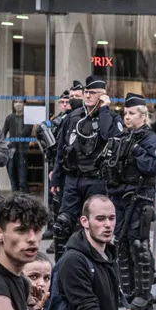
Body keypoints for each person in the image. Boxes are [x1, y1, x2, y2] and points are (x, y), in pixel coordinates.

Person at [103, 93, 156, 310]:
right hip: (120, 196)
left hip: (140, 197)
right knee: (121, 243)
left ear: (142, 115)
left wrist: (137, 150)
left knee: (139, 245)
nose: (127, 117)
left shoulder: (151, 140)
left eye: (131, 113)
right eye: (125, 113)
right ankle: (127, 290)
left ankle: (144, 294)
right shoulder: (122, 137)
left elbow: (152, 167)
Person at [51, 76, 121, 256]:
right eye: (86, 92)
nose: (88, 96)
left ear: (103, 96)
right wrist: (56, 178)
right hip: (73, 178)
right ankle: (62, 267)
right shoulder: (74, 117)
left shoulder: (111, 118)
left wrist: (104, 109)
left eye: (93, 93)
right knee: (63, 224)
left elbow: (108, 136)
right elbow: (61, 149)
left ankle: (90, 263)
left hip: (96, 180)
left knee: (92, 227)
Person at [3, 99, 34, 193]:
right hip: (11, 152)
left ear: (25, 104)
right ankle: (14, 204)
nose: (18, 104)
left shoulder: (29, 119)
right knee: (13, 181)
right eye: (16, 102)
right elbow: (3, 132)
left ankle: (26, 203)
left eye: (20, 102)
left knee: (22, 181)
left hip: (22, 152)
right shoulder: (9, 118)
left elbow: (22, 134)